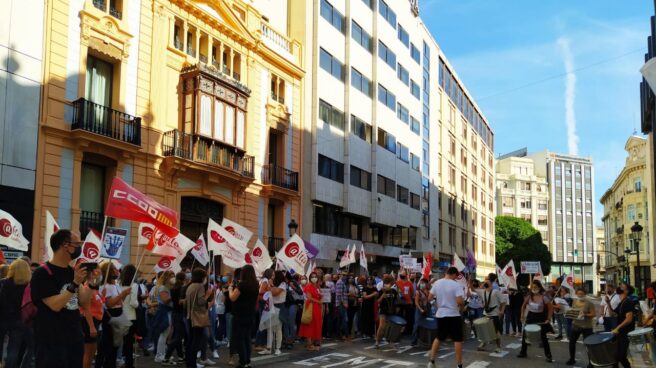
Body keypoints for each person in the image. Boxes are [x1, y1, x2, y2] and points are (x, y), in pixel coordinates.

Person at [31, 229, 88, 368]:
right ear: (65, 245)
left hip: (74, 338)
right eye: (77, 243)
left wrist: (93, 284)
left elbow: (84, 302)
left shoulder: (71, 271)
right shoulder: (42, 273)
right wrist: (74, 283)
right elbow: (55, 305)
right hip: (52, 342)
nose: (80, 247)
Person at [427, 267, 465, 368]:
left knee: (439, 337)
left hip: (440, 314)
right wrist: (462, 308)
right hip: (453, 314)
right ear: (454, 274)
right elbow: (460, 301)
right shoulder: (456, 285)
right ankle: (459, 365)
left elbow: (429, 298)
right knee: (457, 340)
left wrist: (436, 305)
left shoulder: (437, 283)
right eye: (456, 276)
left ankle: (431, 361)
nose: (456, 278)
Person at [96, 260, 131, 368]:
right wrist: (123, 294)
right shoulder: (105, 286)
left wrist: (124, 295)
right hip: (111, 315)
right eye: (114, 269)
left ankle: (109, 363)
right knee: (109, 344)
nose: (117, 271)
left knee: (115, 343)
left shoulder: (115, 285)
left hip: (117, 313)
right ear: (109, 271)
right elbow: (110, 304)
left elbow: (120, 302)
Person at [0, 259, 33, 367]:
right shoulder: (28, 286)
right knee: (14, 348)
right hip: (21, 320)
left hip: (4, 318)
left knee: (7, 347)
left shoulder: (4, 283)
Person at [229, 265, 259, 368]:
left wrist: (230, 290)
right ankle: (247, 361)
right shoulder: (256, 284)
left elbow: (233, 298)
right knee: (247, 338)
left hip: (240, 315)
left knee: (240, 339)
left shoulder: (242, 285)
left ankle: (243, 362)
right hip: (250, 314)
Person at [517, 280, 553, 362]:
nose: (534, 289)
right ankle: (523, 352)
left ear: (539, 288)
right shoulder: (529, 296)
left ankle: (549, 356)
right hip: (530, 316)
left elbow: (551, 308)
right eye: (532, 287)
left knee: (543, 337)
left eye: (535, 287)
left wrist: (548, 318)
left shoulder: (544, 297)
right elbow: (523, 306)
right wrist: (522, 315)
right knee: (525, 335)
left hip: (541, 317)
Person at [185, 268, 214, 368]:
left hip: (190, 316)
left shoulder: (190, 286)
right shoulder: (200, 286)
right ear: (202, 277)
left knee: (191, 341)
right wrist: (207, 295)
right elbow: (201, 301)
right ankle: (192, 364)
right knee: (196, 342)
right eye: (205, 276)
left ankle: (189, 362)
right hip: (197, 317)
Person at [79, 265, 103, 368]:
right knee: (88, 354)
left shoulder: (93, 286)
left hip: (95, 321)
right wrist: (91, 327)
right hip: (89, 322)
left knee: (91, 353)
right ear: (92, 272)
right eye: (98, 269)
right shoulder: (86, 287)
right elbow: (86, 308)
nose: (100, 271)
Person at [566, 288, 596, 366]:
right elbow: (573, 311)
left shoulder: (589, 303)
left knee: (588, 345)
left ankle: (591, 363)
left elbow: (593, 314)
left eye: (582, 294)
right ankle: (572, 359)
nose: (580, 295)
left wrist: (585, 315)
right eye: (578, 294)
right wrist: (570, 313)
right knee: (572, 342)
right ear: (576, 294)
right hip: (576, 325)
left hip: (587, 327)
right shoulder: (575, 301)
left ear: (585, 294)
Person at [475, 279, 505, 352]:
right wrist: (470, 281)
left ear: (491, 284)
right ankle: (483, 344)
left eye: (487, 282)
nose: (485, 283)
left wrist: (502, 311)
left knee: (496, 331)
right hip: (486, 314)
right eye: (484, 282)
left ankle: (498, 347)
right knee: (484, 330)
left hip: (494, 314)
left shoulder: (496, 292)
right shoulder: (482, 291)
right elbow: (472, 289)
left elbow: (503, 302)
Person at [260, 270, 286, 356]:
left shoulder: (283, 284)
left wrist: (270, 285)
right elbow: (266, 292)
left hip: (279, 307)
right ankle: (269, 348)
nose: (272, 277)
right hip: (271, 307)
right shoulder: (271, 284)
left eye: (274, 275)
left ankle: (278, 348)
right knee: (269, 328)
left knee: (278, 329)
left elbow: (275, 293)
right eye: (272, 275)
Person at [163, 272, 186, 365]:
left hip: (174, 313)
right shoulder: (182, 289)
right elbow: (181, 302)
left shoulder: (173, 289)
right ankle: (166, 357)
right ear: (184, 279)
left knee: (177, 335)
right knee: (178, 337)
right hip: (180, 314)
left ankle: (180, 356)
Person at [119, 264, 139, 368]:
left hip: (119, 315)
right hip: (130, 316)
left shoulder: (118, 284)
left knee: (119, 341)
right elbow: (133, 303)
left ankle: (119, 360)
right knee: (129, 343)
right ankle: (129, 364)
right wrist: (139, 303)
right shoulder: (134, 285)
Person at [611, 284, 636, 368]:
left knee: (621, 356)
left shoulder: (628, 302)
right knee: (615, 355)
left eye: (622, 287)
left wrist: (617, 328)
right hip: (620, 332)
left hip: (625, 333)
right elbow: (613, 313)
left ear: (626, 291)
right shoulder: (622, 302)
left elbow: (629, 319)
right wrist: (607, 302)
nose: (619, 288)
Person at [299, 271, 323, 351]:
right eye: (312, 277)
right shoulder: (309, 286)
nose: (314, 278)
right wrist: (318, 301)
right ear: (310, 278)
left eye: (315, 276)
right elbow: (309, 297)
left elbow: (321, 295)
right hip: (311, 307)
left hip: (318, 308)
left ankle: (314, 342)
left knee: (316, 325)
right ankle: (309, 344)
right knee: (310, 325)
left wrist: (322, 298)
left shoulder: (317, 286)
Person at [375, 275, 399, 348]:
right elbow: (378, 301)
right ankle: (377, 342)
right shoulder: (381, 291)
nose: (388, 284)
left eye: (389, 283)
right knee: (381, 326)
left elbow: (397, 300)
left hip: (391, 311)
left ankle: (390, 341)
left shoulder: (394, 291)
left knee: (391, 327)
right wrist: (383, 294)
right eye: (386, 283)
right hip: (383, 311)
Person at [411, 278, 430, 345]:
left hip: (425, 309)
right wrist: (420, 309)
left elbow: (429, 300)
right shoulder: (417, 292)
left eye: (423, 283)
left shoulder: (427, 291)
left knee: (425, 325)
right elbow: (416, 302)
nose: (422, 284)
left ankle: (423, 340)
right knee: (416, 325)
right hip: (419, 310)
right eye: (421, 283)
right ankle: (413, 341)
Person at [396, 271, 415, 335]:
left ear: (406, 276)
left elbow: (412, 293)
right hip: (399, 303)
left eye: (403, 275)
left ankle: (408, 331)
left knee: (408, 317)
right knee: (399, 316)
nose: (402, 276)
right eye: (401, 275)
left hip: (408, 303)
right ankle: (399, 330)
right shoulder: (397, 282)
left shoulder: (409, 283)